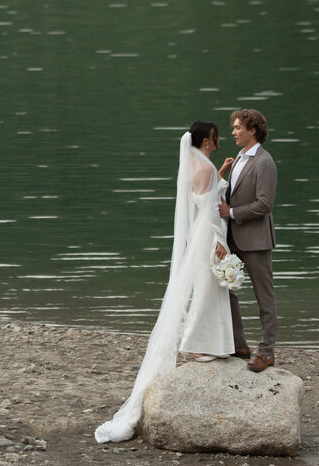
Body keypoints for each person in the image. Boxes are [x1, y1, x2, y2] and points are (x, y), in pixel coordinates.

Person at [94, 120, 233, 444]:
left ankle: (206, 342)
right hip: (208, 235)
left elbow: (205, 195)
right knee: (208, 289)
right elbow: (211, 209)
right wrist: (219, 241)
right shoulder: (205, 168)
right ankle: (199, 343)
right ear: (208, 139)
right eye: (217, 135)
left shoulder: (197, 166)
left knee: (207, 288)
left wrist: (222, 172)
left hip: (200, 233)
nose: (220, 138)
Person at [217, 107, 278, 372]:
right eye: (234, 127)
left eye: (238, 127)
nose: (233, 132)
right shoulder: (239, 158)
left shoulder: (264, 162)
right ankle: (239, 344)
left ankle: (267, 353)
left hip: (256, 240)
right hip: (234, 238)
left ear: (252, 130)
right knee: (225, 289)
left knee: (264, 297)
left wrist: (231, 212)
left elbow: (265, 204)